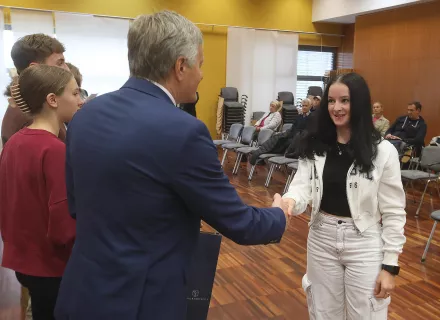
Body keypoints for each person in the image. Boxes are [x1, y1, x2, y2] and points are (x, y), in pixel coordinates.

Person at [54, 11, 289, 320]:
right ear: (180, 66)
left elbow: (76, 206)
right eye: (201, 64)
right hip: (141, 303)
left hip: (81, 292)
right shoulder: (183, 130)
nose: (202, 74)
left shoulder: (85, 115)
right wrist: (279, 215)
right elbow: (239, 222)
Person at [282, 73, 406, 319]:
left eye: (345, 101)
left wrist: (390, 266)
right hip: (321, 237)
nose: (336, 108)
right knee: (324, 312)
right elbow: (302, 185)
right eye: (331, 101)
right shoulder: (316, 143)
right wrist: (289, 201)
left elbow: (393, 211)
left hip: (364, 241)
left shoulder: (382, 151)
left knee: (365, 313)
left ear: (359, 103)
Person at [0, 65, 82, 319]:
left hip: (23, 259)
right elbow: (63, 224)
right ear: (53, 99)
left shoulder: (15, 142)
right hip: (51, 264)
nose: (80, 101)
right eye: (75, 93)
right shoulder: (54, 150)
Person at [1, 34, 69, 146]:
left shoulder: (34, 104)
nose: (67, 69)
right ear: (34, 69)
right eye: (60, 63)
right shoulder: (31, 113)